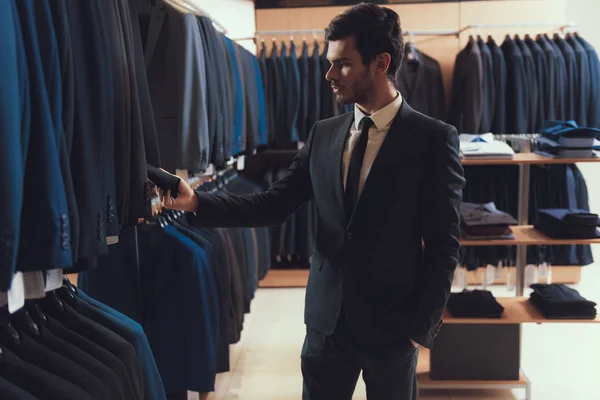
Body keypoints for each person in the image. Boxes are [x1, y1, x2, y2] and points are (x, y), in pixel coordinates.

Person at [160, 3, 466, 399]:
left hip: (394, 329)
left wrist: (418, 330)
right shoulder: (323, 134)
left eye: (342, 64)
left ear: (380, 62)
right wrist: (197, 202)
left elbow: (445, 244)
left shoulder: (432, 139)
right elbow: (273, 204)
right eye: (329, 63)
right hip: (326, 325)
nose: (329, 75)